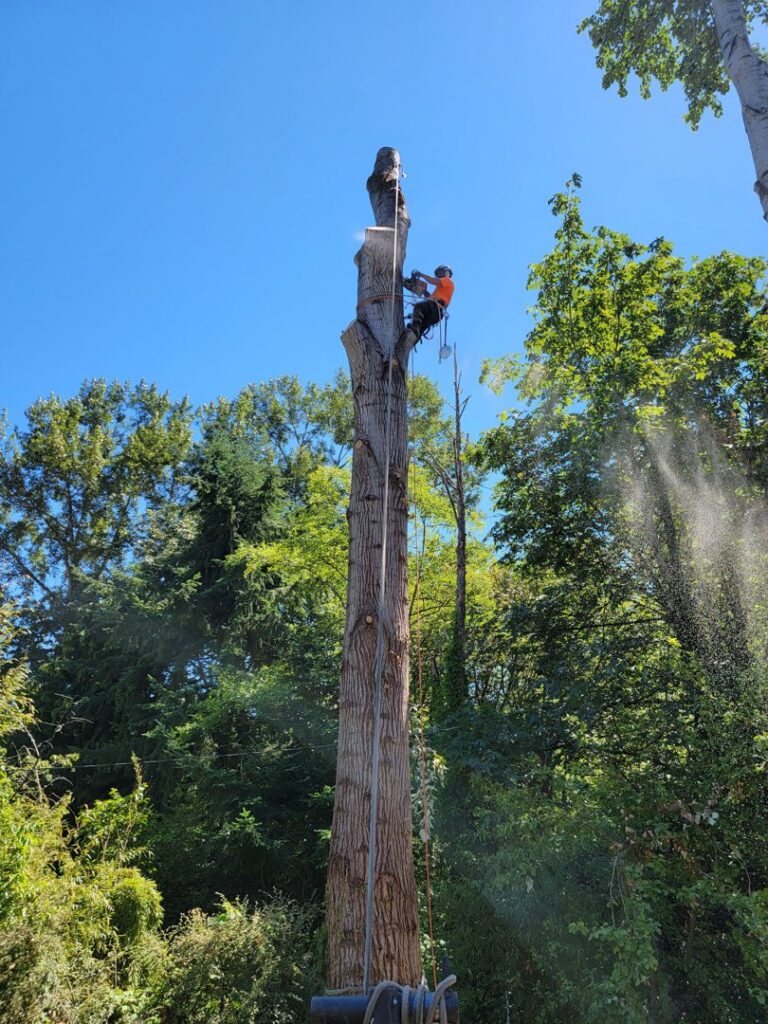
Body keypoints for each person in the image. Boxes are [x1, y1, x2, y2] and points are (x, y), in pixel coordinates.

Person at [406, 265, 454, 342]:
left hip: (435, 307)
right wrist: (424, 291)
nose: (438, 276)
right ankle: (411, 342)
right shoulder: (440, 290)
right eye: (437, 274)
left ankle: (414, 327)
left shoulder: (448, 281)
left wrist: (420, 274)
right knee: (421, 327)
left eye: (440, 273)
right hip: (436, 313)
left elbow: (433, 281)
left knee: (418, 306)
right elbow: (429, 298)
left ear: (447, 273)